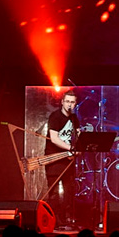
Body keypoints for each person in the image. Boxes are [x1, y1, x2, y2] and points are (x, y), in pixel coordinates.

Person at [44, 90, 79, 228]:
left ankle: (66, 219)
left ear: (75, 104)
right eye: (67, 101)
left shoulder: (74, 118)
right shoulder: (55, 117)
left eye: (72, 102)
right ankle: (54, 220)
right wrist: (70, 148)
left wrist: (79, 147)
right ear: (62, 102)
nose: (70, 104)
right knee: (53, 192)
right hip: (54, 158)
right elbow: (54, 139)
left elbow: (77, 135)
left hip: (68, 160)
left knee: (69, 191)